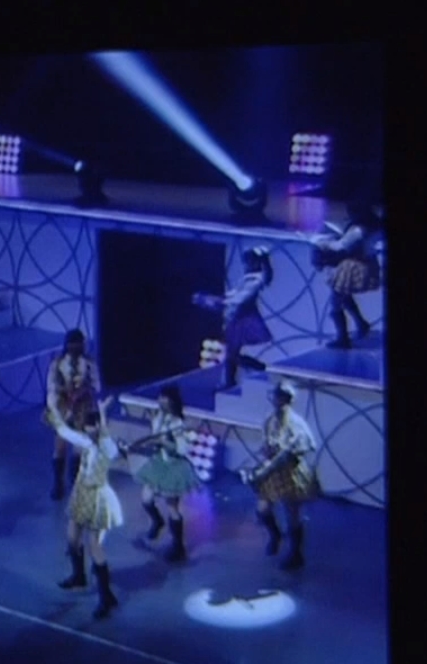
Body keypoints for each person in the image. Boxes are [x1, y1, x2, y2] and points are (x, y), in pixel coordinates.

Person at [45, 395, 124, 620]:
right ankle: (79, 576)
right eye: (87, 427)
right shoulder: (87, 443)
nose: (89, 430)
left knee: (94, 545)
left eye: (93, 426)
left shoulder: (106, 446)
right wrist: (54, 413)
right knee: (72, 539)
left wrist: (103, 413)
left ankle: (106, 597)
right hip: (81, 494)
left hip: (99, 498)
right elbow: (65, 432)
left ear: (99, 426)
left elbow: (110, 447)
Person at [241, 381, 319, 571]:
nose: (276, 401)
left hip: (291, 472)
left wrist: (286, 453)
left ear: (287, 400)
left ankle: (296, 554)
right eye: (275, 397)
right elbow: (266, 444)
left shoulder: (296, 423)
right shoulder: (270, 420)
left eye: (280, 398)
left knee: (292, 513)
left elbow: (304, 446)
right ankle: (275, 535)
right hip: (273, 472)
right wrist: (266, 454)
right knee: (263, 509)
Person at [130, 384, 199, 562]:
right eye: (159, 397)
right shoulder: (158, 418)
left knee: (172, 507)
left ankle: (178, 546)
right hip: (159, 463)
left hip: (174, 466)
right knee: (146, 499)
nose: (160, 401)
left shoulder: (178, 423)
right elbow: (155, 438)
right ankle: (157, 521)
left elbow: (182, 450)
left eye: (164, 397)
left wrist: (164, 442)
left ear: (172, 401)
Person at [192, 247, 274, 390]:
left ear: (257, 262)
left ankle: (259, 368)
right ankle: (233, 380)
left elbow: (240, 298)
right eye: (246, 261)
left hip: (244, 320)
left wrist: (217, 301)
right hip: (236, 319)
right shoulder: (247, 278)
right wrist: (212, 299)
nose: (246, 264)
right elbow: (234, 294)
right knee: (231, 353)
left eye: (250, 260)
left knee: (232, 354)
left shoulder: (257, 279)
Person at [309, 202, 380, 349]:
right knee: (344, 296)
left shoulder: (358, 230)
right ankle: (361, 323)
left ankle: (343, 338)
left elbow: (340, 247)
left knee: (336, 301)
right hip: (368, 263)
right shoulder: (375, 227)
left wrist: (322, 243)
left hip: (354, 267)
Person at [45, 329, 99, 500]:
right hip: (63, 406)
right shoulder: (57, 364)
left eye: (78, 344)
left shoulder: (89, 364)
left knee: (79, 446)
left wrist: (84, 391)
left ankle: (75, 480)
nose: (74, 348)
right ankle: (58, 482)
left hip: (83, 408)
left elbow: (97, 386)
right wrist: (57, 405)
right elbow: (52, 387)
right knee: (60, 444)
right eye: (71, 344)